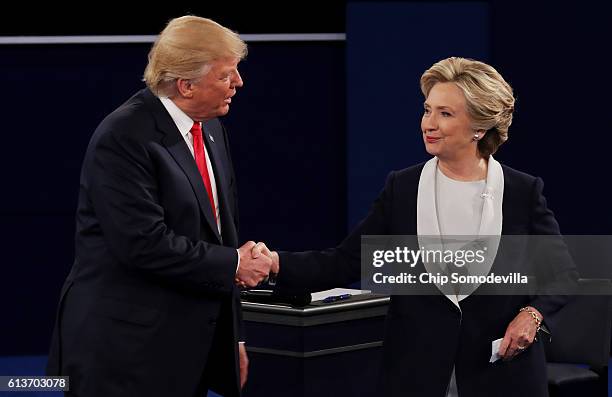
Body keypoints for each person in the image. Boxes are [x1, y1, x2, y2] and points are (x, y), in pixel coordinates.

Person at [249, 57, 578, 396]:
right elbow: (346, 260)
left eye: (445, 114)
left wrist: (533, 314)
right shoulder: (403, 188)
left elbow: (562, 274)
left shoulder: (522, 191)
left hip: (501, 376)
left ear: (479, 127)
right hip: (417, 373)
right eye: (427, 110)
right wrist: (276, 263)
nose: (428, 123)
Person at [46, 16, 273, 397]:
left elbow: (220, 230)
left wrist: (234, 336)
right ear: (186, 85)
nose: (238, 84)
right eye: (226, 76)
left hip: (186, 345)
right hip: (124, 351)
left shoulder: (211, 128)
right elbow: (143, 245)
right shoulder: (123, 137)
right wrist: (236, 263)